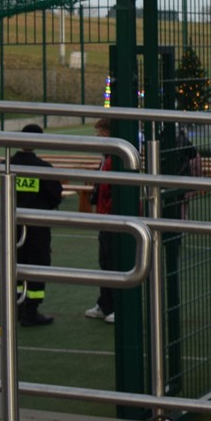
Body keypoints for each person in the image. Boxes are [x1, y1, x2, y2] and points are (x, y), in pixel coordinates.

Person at [5, 123, 65, 327]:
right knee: (37, 264)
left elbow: (0, 192)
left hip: (11, 223)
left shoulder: (6, 165)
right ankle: (31, 311)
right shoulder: (43, 168)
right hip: (37, 224)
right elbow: (55, 196)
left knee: (14, 263)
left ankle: (16, 306)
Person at [84, 117, 119, 324]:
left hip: (114, 218)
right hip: (105, 217)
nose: (97, 138)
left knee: (115, 262)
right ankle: (105, 304)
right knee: (105, 262)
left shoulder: (116, 159)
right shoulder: (106, 158)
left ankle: (118, 306)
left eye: (99, 133)